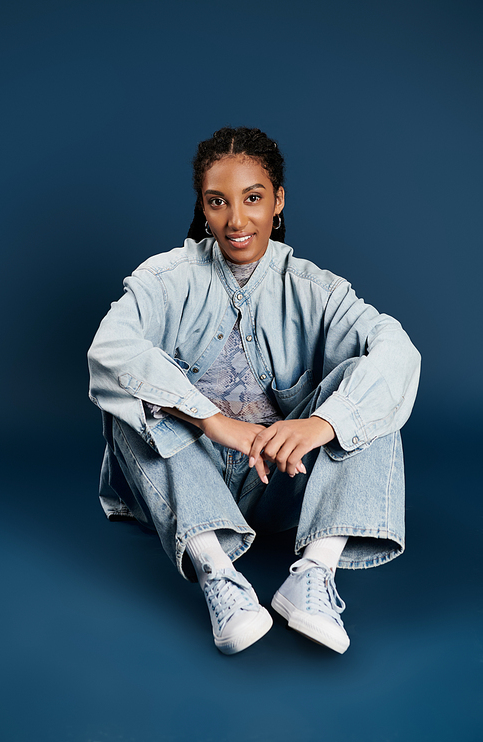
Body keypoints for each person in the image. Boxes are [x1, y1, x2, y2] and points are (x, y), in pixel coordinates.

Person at [87, 126, 420, 655]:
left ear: (278, 200)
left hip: (283, 482)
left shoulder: (317, 290)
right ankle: (220, 577)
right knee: (136, 402)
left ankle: (312, 578)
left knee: (366, 397)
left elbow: (398, 352)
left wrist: (322, 423)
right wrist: (213, 421)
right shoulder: (168, 278)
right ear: (202, 205)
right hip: (188, 481)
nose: (236, 221)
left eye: (253, 199)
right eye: (218, 202)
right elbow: (110, 350)